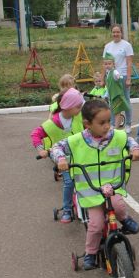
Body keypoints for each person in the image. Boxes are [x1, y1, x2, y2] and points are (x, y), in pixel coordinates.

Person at [51, 100, 139, 270]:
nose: (107, 126)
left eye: (109, 121)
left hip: (111, 187)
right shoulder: (76, 141)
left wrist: (135, 149)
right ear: (87, 124)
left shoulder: (116, 136)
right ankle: (91, 253)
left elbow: (129, 140)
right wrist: (61, 159)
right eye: (102, 123)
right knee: (96, 225)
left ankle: (125, 220)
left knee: (118, 205)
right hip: (90, 193)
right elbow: (56, 147)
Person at [30, 88, 85, 223]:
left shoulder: (78, 116)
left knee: (88, 177)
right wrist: (41, 150)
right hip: (63, 157)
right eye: (78, 106)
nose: (80, 109)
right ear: (68, 107)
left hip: (81, 153)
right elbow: (35, 134)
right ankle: (67, 209)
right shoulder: (52, 124)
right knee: (69, 181)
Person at [103, 25, 135, 133]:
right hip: (111, 77)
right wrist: (103, 77)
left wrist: (128, 78)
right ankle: (113, 124)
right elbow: (104, 63)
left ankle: (128, 124)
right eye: (113, 32)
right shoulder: (108, 46)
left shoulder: (127, 45)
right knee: (112, 101)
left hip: (123, 76)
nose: (115, 34)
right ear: (111, 33)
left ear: (121, 33)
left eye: (118, 32)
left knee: (125, 100)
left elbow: (129, 63)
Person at [101, 52, 129, 129]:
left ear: (113, 64)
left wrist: (118, 76)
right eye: (106, 64)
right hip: (112, 96)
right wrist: (106, 95)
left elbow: (117, 76)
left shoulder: (114, 72)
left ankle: (116, 128)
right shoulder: (108, 73)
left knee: (117, 113)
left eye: (109, 64)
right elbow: (109, 87)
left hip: (117, 96)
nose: (107, 65)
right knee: (114, 112)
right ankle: (114, 126)